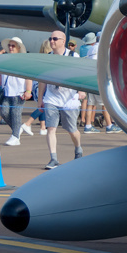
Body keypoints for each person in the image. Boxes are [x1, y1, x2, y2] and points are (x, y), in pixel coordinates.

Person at [40, 30, 84, 169]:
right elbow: (42, 79)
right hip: (51, 97)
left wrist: (81, 91)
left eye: (55, 39)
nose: (51, 41)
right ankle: (53, 158)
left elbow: (80, 75)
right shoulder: (47, 57)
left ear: (63, 41)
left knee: (72, 130)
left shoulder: (73, 56)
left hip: (69, 98)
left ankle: (78, 148)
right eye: (50, 38)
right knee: (50, 128)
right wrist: (40, 98)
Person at [0, 37, 30, 146]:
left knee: (16, 114)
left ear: (18, 48)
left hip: (19, 93)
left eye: (13, 46)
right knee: (4, 112)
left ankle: (15, 137)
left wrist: (28, 91)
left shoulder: (23, 61)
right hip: (7, 92)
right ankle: (17, 130)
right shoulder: (5, 59)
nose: (10, 48)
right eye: (9, 46)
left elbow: (28, 77)